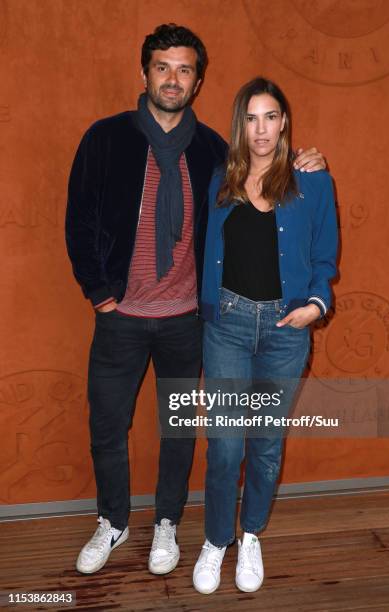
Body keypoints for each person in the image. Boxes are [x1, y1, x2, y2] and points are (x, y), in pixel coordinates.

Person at [65, 23, 327, 576]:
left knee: (179, 429)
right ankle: (111, 521)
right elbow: (80, 220)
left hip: (186, 320)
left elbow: (267, 182)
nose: (173, 78)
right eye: (163, 67)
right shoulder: (106, 138)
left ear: (198, 80)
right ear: (145, 73)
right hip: (120, 317)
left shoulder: (213, 151)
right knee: (108, 426)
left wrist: (307, 159)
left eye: (185, 69)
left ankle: (166, 523)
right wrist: (100, 295)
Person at [193, 77, 338, 594]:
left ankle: (250, 534)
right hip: (227, 327)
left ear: (284, 122)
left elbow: (325, 255)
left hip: (284, 331)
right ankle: (216, 540)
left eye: (270, 116)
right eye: (251, 117)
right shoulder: (220, 179)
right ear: (240, 123)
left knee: (266, 446)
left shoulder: (311, 180)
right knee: (226, 446)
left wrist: (316, 305)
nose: (261, 129)